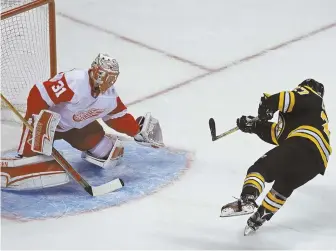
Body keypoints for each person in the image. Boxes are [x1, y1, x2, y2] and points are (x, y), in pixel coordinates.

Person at [1, 53, 163, 190]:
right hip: (50, 123)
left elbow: (118, 117)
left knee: (107, 152)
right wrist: (37, 121)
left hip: (75, 128)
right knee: (34, 151)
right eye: (102, 74)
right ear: (94, 70)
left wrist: (136, 131)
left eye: (110, 77)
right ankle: (24, 159)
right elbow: (39, 94)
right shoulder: (75, 81)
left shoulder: (109, 96)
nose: (105, 79)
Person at [220, 79, 332, 235]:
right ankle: (260, 217)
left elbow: (287, 98)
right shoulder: (309, 116)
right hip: (316, 162)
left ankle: (248, 197)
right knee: (283, 185)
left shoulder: (309, 94)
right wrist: (254, 126)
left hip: (303, 144)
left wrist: (268, 105)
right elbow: (278, 134)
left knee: (260, 168)